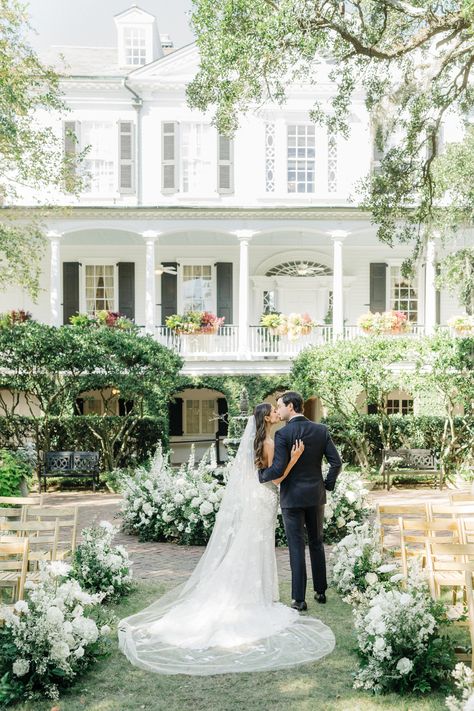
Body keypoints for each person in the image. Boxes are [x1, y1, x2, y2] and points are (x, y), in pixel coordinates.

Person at [118, 402, 335, 675]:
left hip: (261, 501)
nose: (277, 414)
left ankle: (264, 593)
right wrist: (293, 459)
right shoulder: (272, 440)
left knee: (255, 546)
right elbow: (276, 478)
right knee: (263, 546)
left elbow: (262, 475)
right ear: (267, 418)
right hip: (268, 497)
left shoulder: (265, 440)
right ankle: (262, 596)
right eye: (273, 411)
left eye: (279, 409)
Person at [258, 391, 342, 611]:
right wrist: (327, 485)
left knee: (296, 546)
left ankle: (298, 599)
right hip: (315, 496)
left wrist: (260, 476)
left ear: (291, 406)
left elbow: (276, 469)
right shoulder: (321, 430)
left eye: (280, 406)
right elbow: (336, 463)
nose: (278, 410)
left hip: (292, 497)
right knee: (316, 543)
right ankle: (321, 591)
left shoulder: (283, 435)